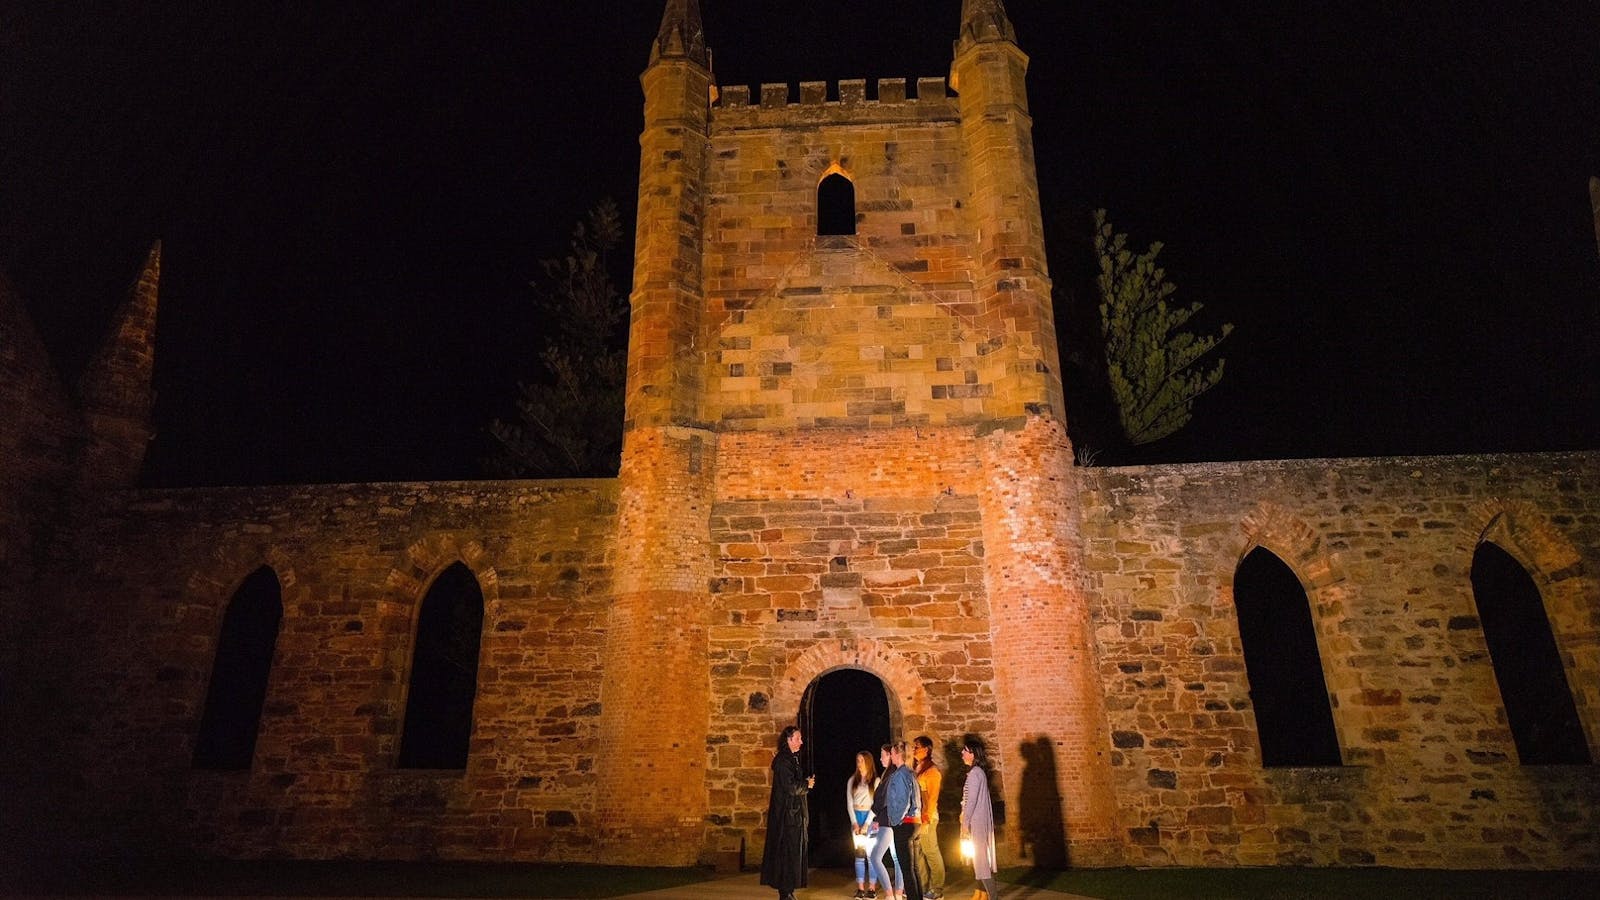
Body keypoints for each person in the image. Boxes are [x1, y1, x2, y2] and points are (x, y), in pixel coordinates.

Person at [760, 725, 814, 900]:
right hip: (788, 817)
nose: (801, 741)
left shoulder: (792, 759)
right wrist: (806, 785)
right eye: (798, 738)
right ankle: (785, 891)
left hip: (793, 815)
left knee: (792, 854)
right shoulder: (784, 761)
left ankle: (788, 889)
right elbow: (790, 787)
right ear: (789, 740)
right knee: (787, 853)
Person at [867, 743, 909, 900]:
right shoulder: (891, 773)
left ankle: (890, 894)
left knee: (875, 856)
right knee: (896, 857)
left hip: (888, 821)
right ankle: (897, 892)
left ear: (892, 756)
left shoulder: (892, 774)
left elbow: (884, 799)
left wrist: (875, 818)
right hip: (891, 820)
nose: (881, 758)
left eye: (883, 755)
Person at [959, 740, 998, 900]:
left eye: (965, 751)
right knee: (979, 860)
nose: (962, 753)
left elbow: (972, 800)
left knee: (981, 862)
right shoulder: (976, 772)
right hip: (977, 821)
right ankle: (982, 894)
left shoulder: (975, 773)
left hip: (977, 822)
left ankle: (993, 896)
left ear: (973, 754)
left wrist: (965, 823)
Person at [886, 741, 925, 900]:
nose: (891, 756)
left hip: (905, 824)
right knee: (913, 868)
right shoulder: (910, 773)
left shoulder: (901, 774)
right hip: (914, 822)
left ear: (898, 754)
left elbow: (903, 801)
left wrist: (895, 821)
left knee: (907, 870)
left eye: (892, 753)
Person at [911, 735, 946, 899]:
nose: (914, 749)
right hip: (917, 817)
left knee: (931, 851)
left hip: (928, 818)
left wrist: (926, 819)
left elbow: (932, 799)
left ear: (926, 749)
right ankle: (923, 886)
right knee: (918, 854)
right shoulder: (916, 768)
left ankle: (937, 889)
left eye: (917, 746)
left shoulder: (932, 771)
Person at [847, 750, 883, 900]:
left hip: (871, 820)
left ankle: (872, 888)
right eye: (857, 760)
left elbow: (876, 804)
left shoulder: (875, 781)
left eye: (862, 760)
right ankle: (860, 888)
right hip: (857, 817)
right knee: (859, 853)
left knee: (872, 855)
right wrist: (855, 822)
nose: (859, 763)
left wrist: (867, 823)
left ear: (868, 762)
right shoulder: (852, 781)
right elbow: (849, 802)